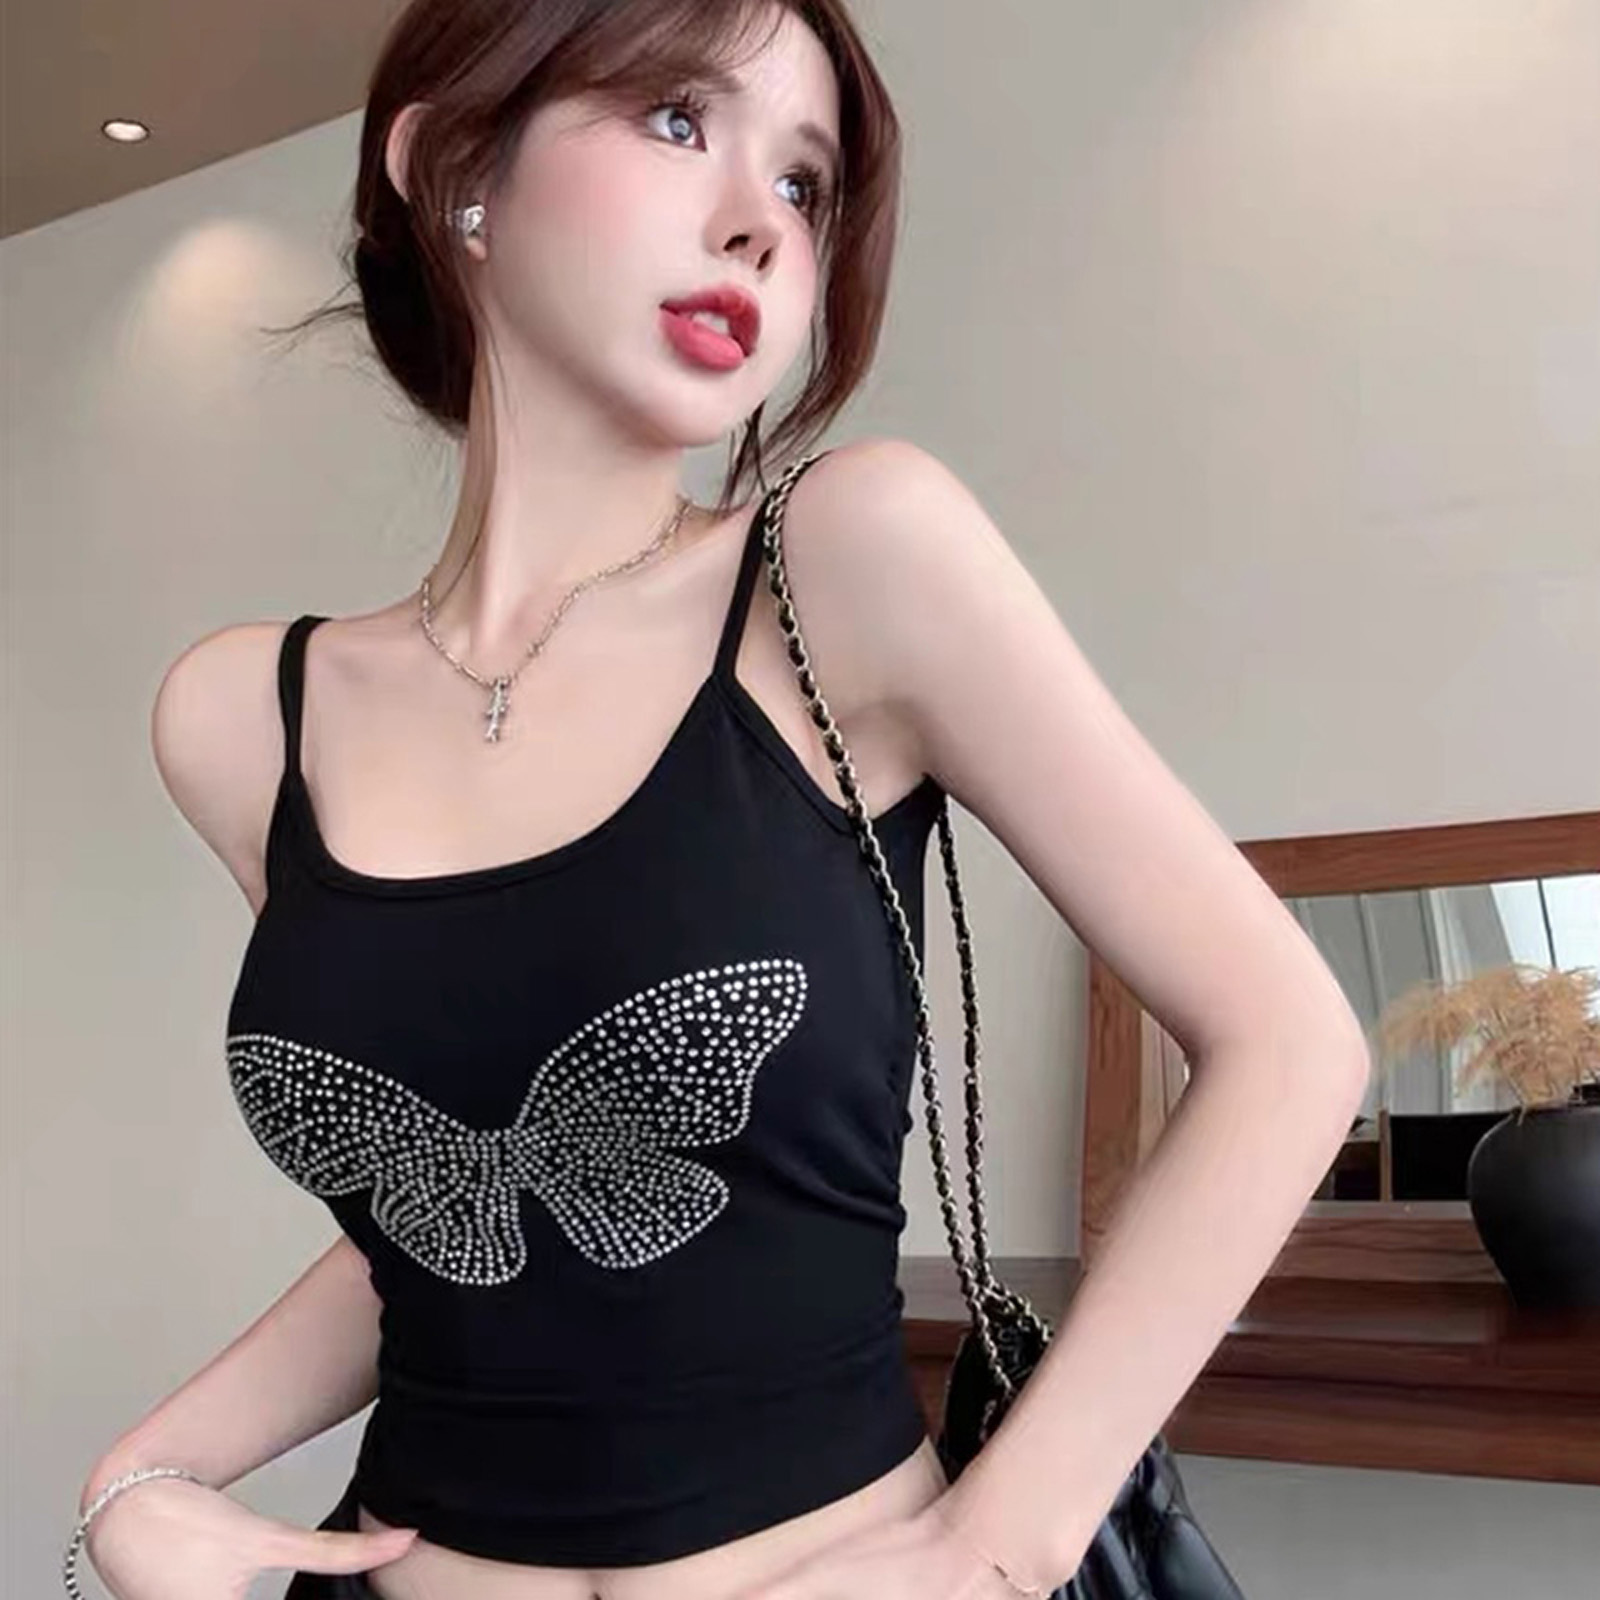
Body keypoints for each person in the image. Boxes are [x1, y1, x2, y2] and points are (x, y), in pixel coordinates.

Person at [71, 1, 1373, 1597]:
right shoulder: (242, 720)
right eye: (679, 119)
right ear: (455, 165)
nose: (761, 221)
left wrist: (988, 1551)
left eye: (806, 183)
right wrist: (145, 1473)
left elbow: (1290, 1042)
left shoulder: (850, 561)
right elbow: (450, 1230)